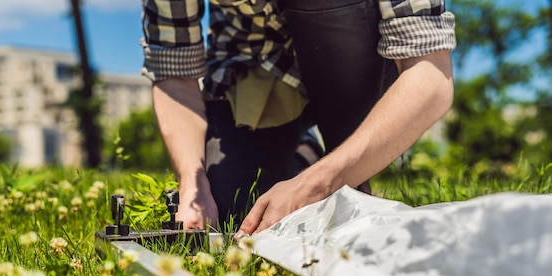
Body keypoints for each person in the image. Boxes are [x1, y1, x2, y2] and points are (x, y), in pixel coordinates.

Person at [141, 0, 456, 236]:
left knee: (338, 211)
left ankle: (339, 169)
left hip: (357, 54)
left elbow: (430, 77)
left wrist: (320, 184)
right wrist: (192, 185)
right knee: (231, 207)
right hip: (255, 66)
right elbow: (175, 76)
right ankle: (302, 155)